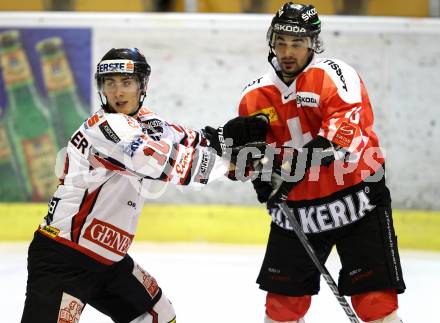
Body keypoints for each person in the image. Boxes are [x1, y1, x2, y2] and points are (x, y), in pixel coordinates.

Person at [20, 47, 268, 323]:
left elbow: (187, 140)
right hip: (64, 259)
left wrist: (226, 140)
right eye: (110, 84)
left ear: (143, 85)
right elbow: (168, 163)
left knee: (159, 316)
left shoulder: (146, 121)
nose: (118, 92)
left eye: (126, 83)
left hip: (110, 262)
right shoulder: (105, 128)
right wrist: (232, 165)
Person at [238, 3, 406, 323]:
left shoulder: (335, 76)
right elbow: (253, 161)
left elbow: (340, 141)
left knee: (375, 303)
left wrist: (287, 172)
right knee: (281, 309)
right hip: (298, 213)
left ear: (313, 43)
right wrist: (259, 170)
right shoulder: (254, 96)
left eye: (297, 43)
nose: (287, 51)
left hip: (356, 201)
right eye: (281, 41)